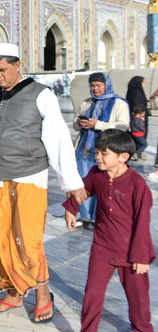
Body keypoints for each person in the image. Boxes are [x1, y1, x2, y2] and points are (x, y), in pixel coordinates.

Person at [0, 43, 87, 323]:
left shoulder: (41, 94)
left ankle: (43, 293)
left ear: (18, 65)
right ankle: (13, 293)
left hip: (28, 178)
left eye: (3, 70)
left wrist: (71, 181)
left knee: (28, 242)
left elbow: (57, 138)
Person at [63, 129, 155, 332]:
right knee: (92, 294)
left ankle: (142, 329)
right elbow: (84, 189)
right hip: (102, 248)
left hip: (132, 252)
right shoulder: (97, 174)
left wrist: (141, 257)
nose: (98, 157)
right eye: (97, 152)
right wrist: (72, 208)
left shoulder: (137, 185)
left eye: (104, 153)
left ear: (123, 157)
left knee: (138, 299)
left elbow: (142, 222)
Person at [73, 72, 129, 227]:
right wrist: (79, 124)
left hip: (108, 152)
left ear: (107, 85)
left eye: (99, 85)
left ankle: (102, 217)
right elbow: (75, 123)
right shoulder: (87, 103)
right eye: (92, 85)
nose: (95, 89)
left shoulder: (119, 103)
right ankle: (85, 217)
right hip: (85, 151)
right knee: (84, 182)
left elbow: (123, 126)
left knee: (105, 185)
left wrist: (98, 125)